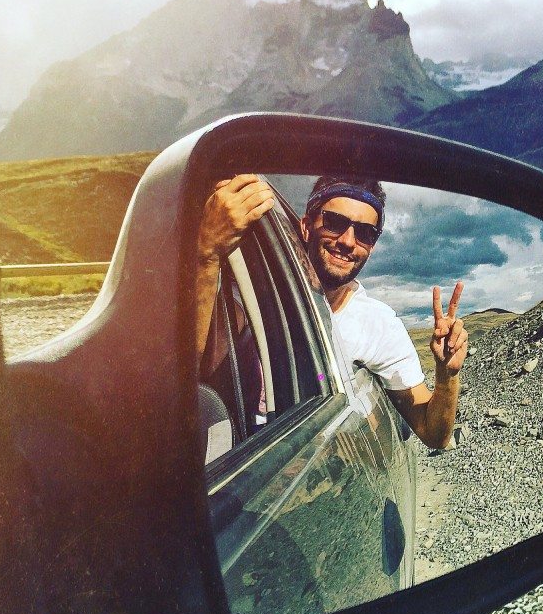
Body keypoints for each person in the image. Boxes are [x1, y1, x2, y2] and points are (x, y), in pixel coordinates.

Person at [196, 173, 467, 449]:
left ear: (371, 247)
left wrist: (447, 374)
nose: (348, 241)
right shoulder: (254, 293)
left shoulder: (379, 325)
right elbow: (193, 367)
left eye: (365, 233)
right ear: (305, 227)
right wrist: (207, 253)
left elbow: (433, 434)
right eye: (335, 223)